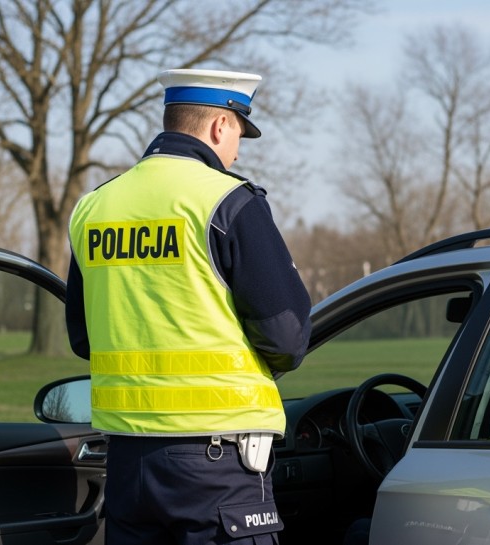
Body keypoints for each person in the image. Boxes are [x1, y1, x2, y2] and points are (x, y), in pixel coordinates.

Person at [65, 68, 312, 545]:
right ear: (220, 126)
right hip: (217, 466)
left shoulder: (93, 208)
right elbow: (287, 337)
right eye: (239, 133)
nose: (237, 151)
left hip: (127, 466)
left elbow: (84, 337)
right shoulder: (227, 200)